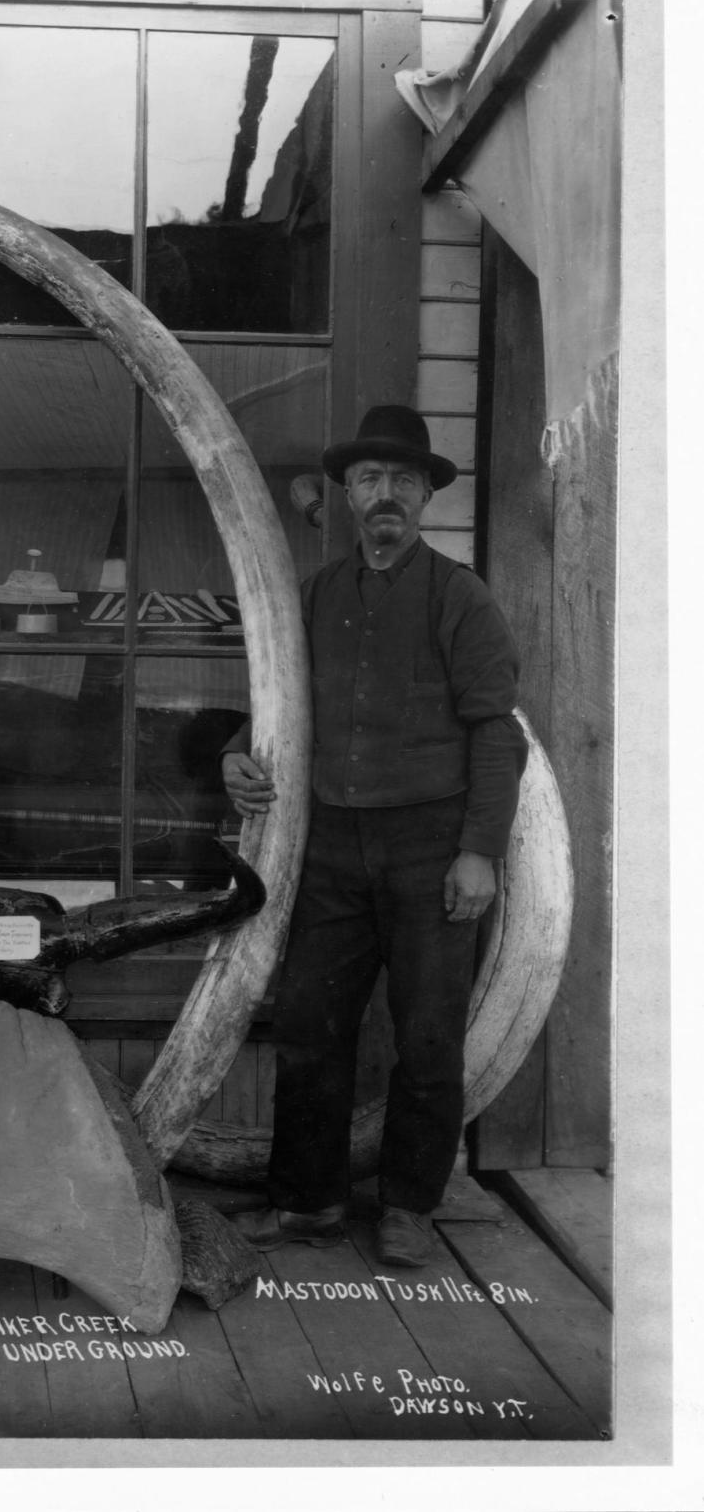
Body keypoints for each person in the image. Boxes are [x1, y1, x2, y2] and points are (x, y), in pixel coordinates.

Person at [226, 405, 526, 1268]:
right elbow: (275, 708)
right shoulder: (314, 598)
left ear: (425, 493)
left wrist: (480, 850)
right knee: (312, 1026)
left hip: (432, 847)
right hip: (328, 849)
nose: (384, 493)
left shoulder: (460, 598)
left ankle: (407, 1206)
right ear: (346, 496)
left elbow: (494, 733)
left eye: (402, 478)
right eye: (367, 479)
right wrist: (236, 755)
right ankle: (309, 1201)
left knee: (428, 1036)